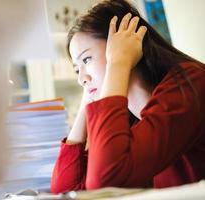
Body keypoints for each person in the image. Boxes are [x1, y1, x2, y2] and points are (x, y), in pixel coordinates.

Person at [51, 0, 205, 194]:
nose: (81, 78)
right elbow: (65, 191)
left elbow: (105, 180)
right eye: (76, 70)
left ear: (124, 46)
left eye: (87, 59)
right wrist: (88, 96)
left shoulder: (189, 82)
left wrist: (118, 63)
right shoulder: (125, 119)